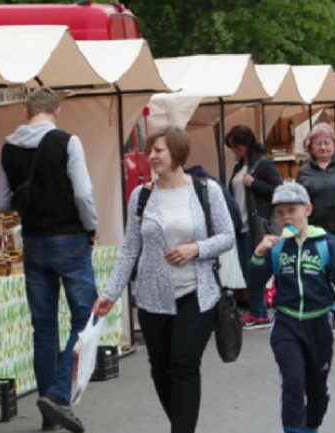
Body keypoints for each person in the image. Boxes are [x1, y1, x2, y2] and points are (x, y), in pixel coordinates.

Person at [92, 127, 235, 433]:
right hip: (152, 297)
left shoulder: (205, 190)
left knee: (184, 364)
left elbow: (227, 236)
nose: (152, 156)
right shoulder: (141, 197)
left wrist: (196, 249)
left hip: (197, 294)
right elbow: (130, 249)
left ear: (177, 152)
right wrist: (111, 293)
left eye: (159, 150)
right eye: (150, 151)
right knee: (160, 371)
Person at [0, 87, 97, 432]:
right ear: (56, 110)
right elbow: (82, 192)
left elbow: (0, 203)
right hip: (69, 237)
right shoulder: (67, 142)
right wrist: (91, 226)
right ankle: (58, 394)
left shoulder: (8, 147)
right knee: (84, 317)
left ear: (27, 113)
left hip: (34, 241)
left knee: (44, 326)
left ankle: (47, 415)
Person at [249, 183, 335, 433]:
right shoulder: (276, 248)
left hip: (319, 322)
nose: (286, 217)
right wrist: (258, 254)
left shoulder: (325, 244)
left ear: (308, 209)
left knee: (317, 389)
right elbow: (255, 284)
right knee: (293, 381)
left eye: (292, 210)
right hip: (286, 323)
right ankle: (293, 430)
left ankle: (310, 427)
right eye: (280, 212)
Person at [297, 123, 335, 337]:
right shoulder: (304, 171)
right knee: (320, 275)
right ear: (310, 148)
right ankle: (328, 316)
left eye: (327, 143)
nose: (323, 148)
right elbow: (300, 200)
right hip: (316, 230)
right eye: (318, 144)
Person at [226, 125, 283, 329]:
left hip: (255, 225)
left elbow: (278, 190)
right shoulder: (239, 167)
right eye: (233, 148)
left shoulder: (263, 165)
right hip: (240, 225)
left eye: (237, 147)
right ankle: (256, 310)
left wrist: (254, 184)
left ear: (246, 145)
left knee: (254, 270)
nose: (234, 152)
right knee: (246, 269)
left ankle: (259, 312)